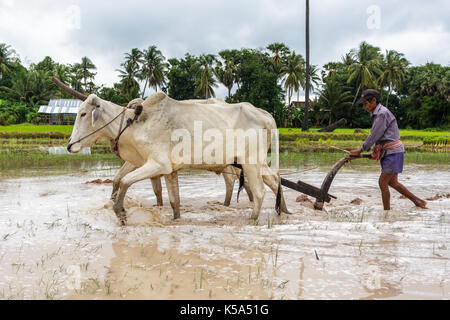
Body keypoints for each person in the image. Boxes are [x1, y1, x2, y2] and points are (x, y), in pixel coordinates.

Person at [349, 89, 427, 210]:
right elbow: (380, 137)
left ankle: (386, 213)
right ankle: (418, 202)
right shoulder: (376, 114)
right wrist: (375, 152)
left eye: (366, 103)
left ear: (374, 101)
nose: (364, 107)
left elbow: (374, 135)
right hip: (391, 152)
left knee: (382, 182)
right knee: (393, 183)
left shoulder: (381, 114)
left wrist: (360, 150)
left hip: (393, 152)